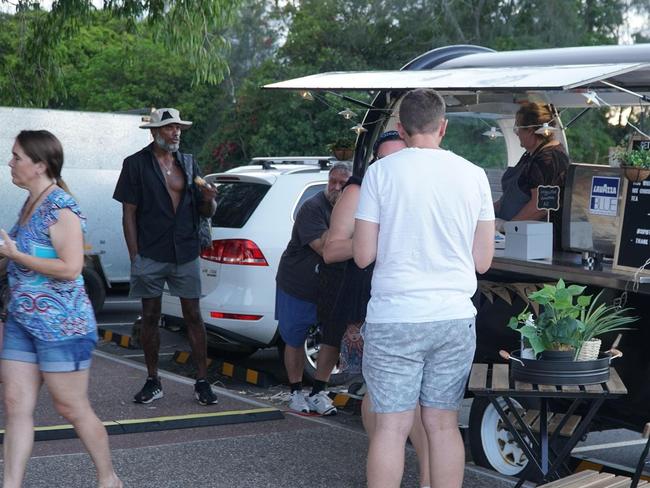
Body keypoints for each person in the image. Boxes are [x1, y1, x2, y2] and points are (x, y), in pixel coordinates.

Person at [354, 89, 495, 488]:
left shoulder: (382, 173)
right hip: (453, 317)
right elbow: (482, 262)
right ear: (443, 127)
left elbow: (363, 255)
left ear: (400, 127)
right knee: (443, 425)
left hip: (395, 317)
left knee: (391, 429)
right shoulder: (474, 175)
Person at [0, 130, 123, 488]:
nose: (10, 162)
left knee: (70, 407)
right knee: (14, 403)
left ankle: (108, 477)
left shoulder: (62, 209)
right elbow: (12, 260)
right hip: (23, 321)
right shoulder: (27, 207)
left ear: (40, 165)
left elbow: (71, 268)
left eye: (17, 157)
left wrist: (16, 255)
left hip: (62, 327)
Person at [324, 130, 431, 488]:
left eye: (401, 157)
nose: (395, 166)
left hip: (413, 302)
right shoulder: (358, 190)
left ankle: (393, 466)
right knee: (384, 396)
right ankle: (387, 464)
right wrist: (377, 237)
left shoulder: (420, 186)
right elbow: (331, 249)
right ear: (375, 162)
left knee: (405, 400)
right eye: (386, 159)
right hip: (368, 301)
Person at [113, 107, 218, 405]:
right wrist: (135, 256)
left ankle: (202, 381)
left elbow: (204, 210)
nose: (176, 133)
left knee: (194, 317)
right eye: (170, 128)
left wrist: (209, 200)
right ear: (155, 132)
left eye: (179, 128)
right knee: (150, 317)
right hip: (151, 252)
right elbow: (128, 214)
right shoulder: (135, 164)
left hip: (185, 251)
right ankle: (153, 380)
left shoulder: (188, 162)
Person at [275, 162, 351, 415]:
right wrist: (344, 213)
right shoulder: (313, 208)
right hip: (298, 284)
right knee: (294, 338)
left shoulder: (357, 209)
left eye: (343, 183)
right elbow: (325, 250)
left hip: (333, 287)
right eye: (333, 181)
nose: (336, 187)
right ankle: (295, 391)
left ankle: (319, 392)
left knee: (331, 339)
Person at [494, 102, 570, 245]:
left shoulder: (549, 159)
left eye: (518, 128)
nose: (516, 133)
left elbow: (540, 206)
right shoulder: (531, 155)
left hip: (534, 242)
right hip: (517, 238)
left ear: (531, 130)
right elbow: (511, 196)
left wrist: (507, 227)